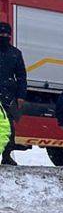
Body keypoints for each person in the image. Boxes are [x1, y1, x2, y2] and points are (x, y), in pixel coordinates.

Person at [0, 22, 25, 165]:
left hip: (8, 96)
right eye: (1, 34)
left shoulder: (15, 53)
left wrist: (21, 95)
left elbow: (21, 76)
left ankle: (7, 155)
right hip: (7, 93)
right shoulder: (15, 53)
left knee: (7, 128)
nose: (4, 36)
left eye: (6, 34)